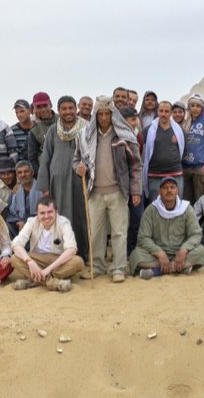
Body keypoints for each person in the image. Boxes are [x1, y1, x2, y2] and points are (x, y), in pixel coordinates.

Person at [74, 96, 143, 283]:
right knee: (95, 233)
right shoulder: (84, 135)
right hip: (94, 193)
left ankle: (118, 268)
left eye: (107, 113)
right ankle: (96, 266)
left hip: (118, 192)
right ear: (95, 114)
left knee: (120, 232)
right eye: (101, 114)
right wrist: (79, 168)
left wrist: (136, 191)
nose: (104, 117)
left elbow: (136, 165)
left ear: (113, 114)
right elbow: (77, 160)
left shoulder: (124, 135)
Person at [37, 95, 89, 258]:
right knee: (60, 217)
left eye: (71, 108)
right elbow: (46, 157)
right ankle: (61, 254)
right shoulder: (53, 130)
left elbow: (92, 154)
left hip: (79, 180)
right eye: (64, 109)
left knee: (81, 216)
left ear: (76, 109)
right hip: (57, 182)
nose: (68, 112)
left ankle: (82, 254)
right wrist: (44, 186)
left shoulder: (86, 128)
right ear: (59, 111)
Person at [129, 177, 204, 279]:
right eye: (165, 188)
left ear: (177, 191)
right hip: (156, 255)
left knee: (202, 251)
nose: (169, 190)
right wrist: (159, 253)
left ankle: (156, 271)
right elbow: (143, 237)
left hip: (180, 253)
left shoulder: (187, 209)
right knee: (135, 255)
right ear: (160, 192)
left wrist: (184, 249)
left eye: (172, 187)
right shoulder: (151, 210)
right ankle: (178, 268)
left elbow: (196, 234)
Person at [9, 198, 84, 292]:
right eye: (42, 213)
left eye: (50, 212)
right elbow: (16, 244)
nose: (46, 216)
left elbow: (71, 249)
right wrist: (30, 262)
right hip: (36, 259)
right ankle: (53, 283)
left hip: (57, 260)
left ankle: (34, 281)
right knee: (14, 259)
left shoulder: (64, 222)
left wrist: (48, 269)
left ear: (56, 212)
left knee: (78, 262)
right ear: (37, 213)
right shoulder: (32, 222)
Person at [143, 101, 186, 199]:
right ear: (157, 112)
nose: (163, 114)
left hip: (175, 174)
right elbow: (139, 144)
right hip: (154, 175)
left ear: (171, 113)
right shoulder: (149, 130)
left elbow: (184, 150)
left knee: (176, 206)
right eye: (161, 111)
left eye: (166, 111)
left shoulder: (179, 130)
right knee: (155, 206)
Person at [181, 96, 204, 202]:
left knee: (199, 201)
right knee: (186, 201)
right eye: (192, 106)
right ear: (189, 107)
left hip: (199, 169)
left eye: (198, 106)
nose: (195, 108)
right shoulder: (184, 125)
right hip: (184, 168)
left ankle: (200, 219)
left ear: (202, 108)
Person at [6, 161, 43, 234]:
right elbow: (8, 213)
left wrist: (28, 223)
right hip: (19, 227)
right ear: (17, 176)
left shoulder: (42, 190)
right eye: (19, 173)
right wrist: (18, 221)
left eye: (26, 172)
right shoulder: (14, 192)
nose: (23, 175)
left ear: (32, 173)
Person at [26, 92, 56, 172]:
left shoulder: (62, 120)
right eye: (39, 107)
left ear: (51, 105)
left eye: (45, 106)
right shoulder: (34, 130)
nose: (43, 109)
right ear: (34, 109)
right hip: (47, 171)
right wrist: (41, 175)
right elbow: (32, 158)